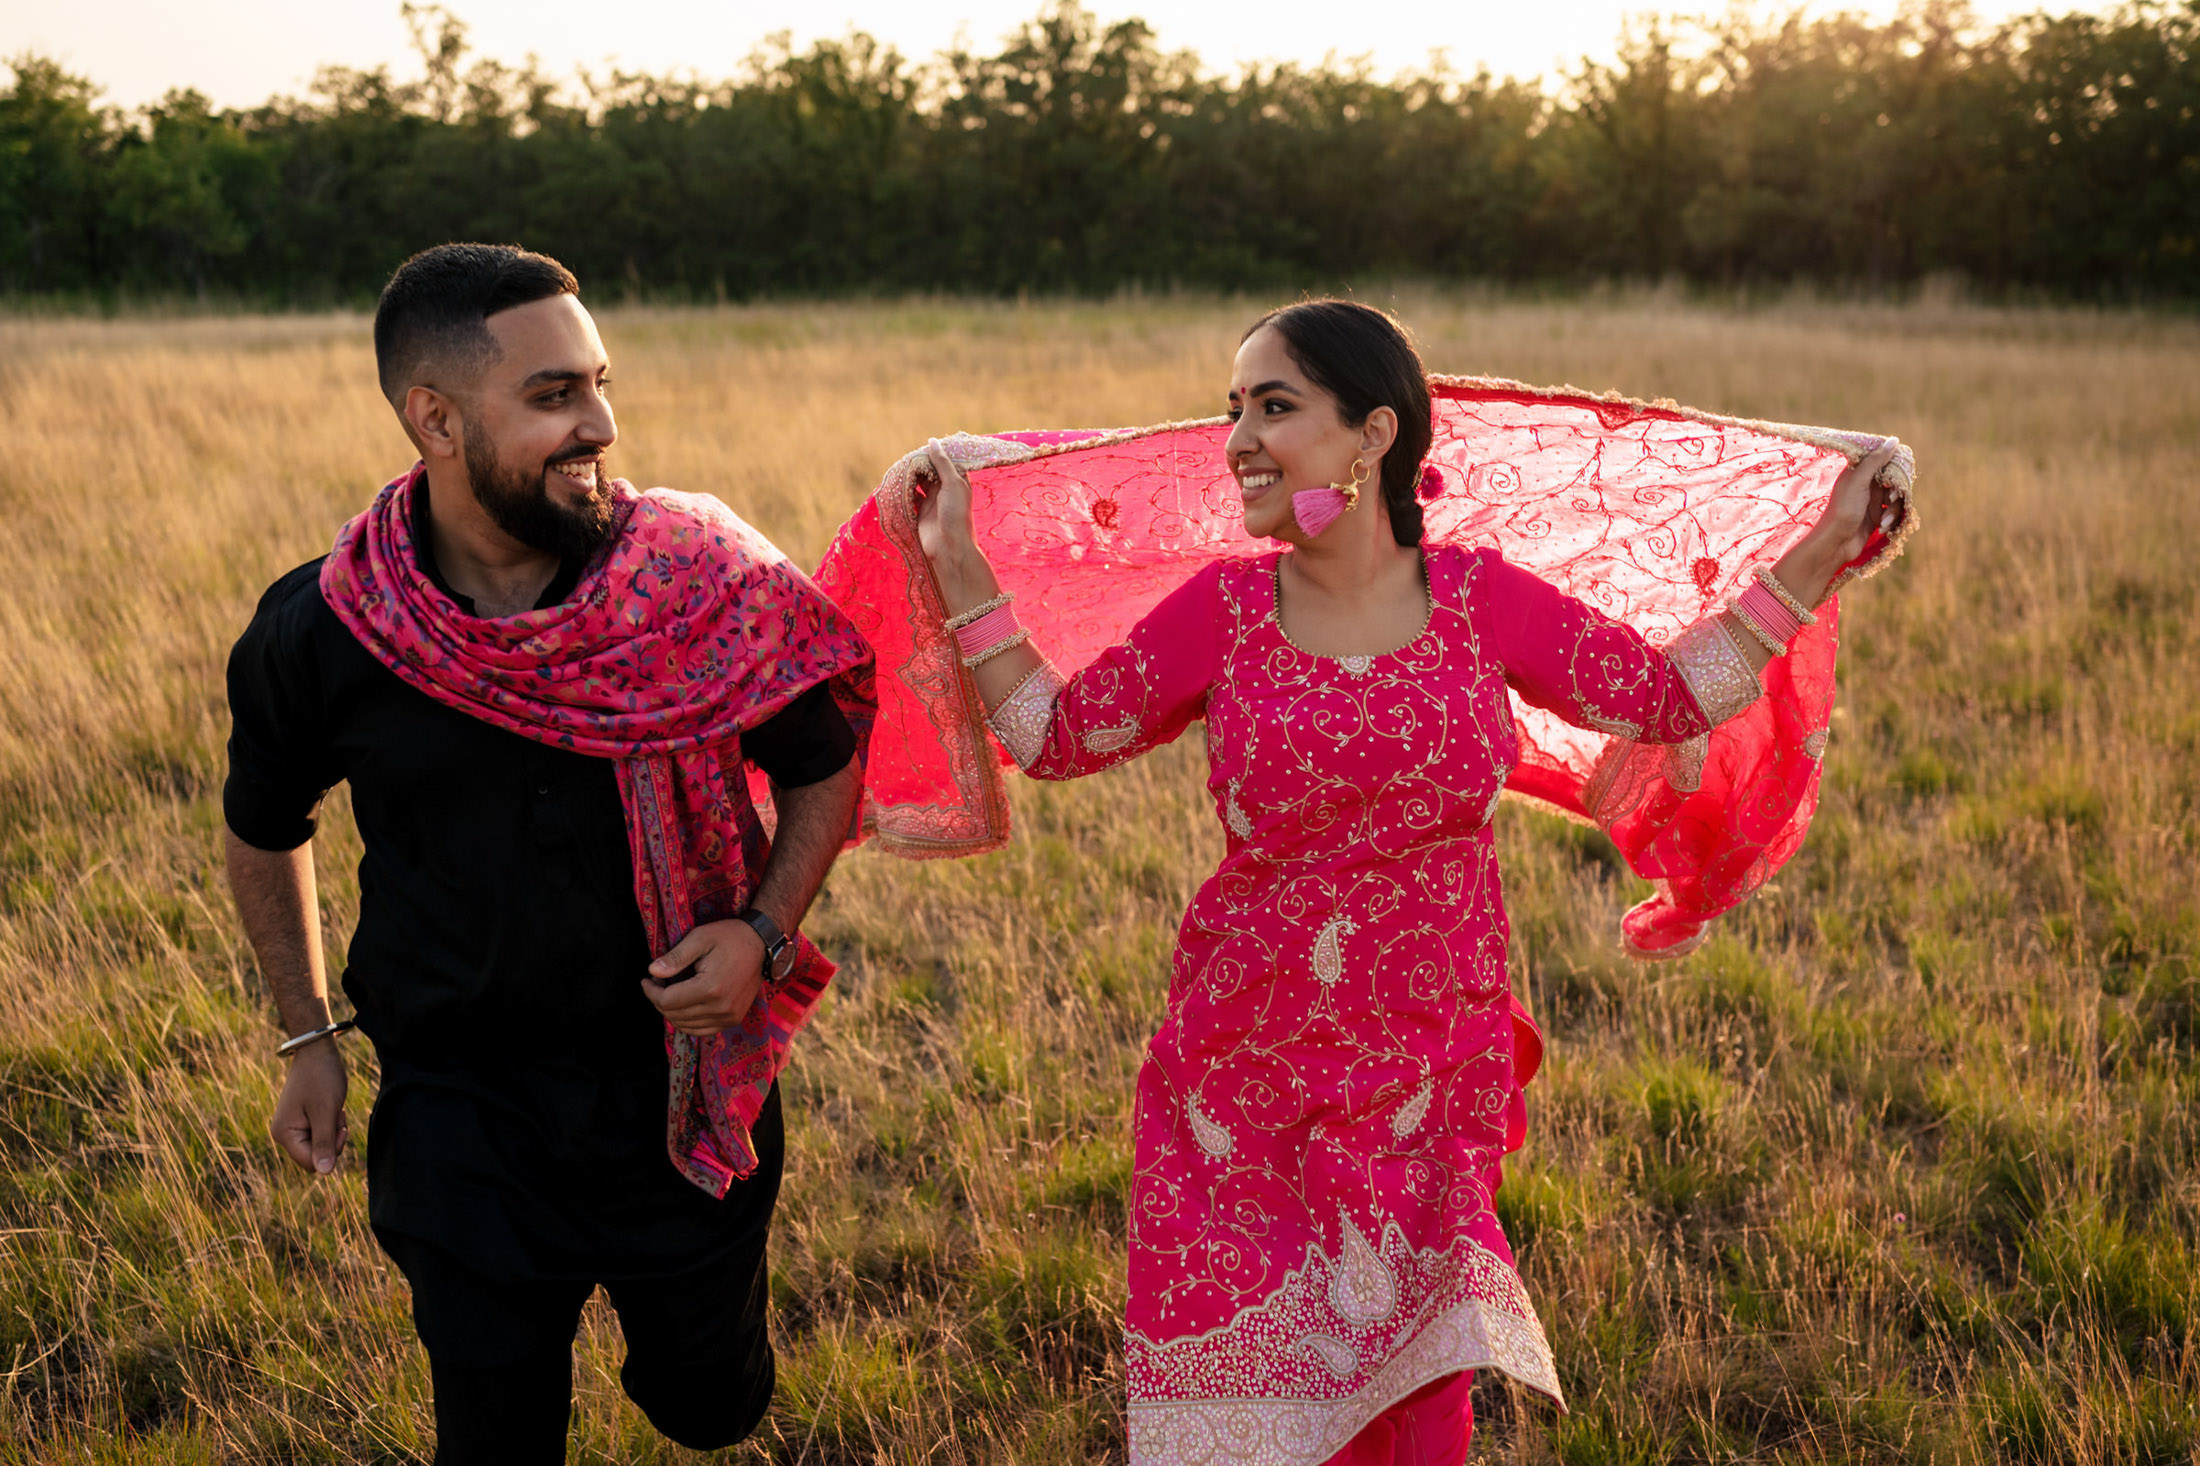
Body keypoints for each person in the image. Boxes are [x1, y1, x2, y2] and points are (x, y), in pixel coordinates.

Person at [898, 300, 1901, 1463]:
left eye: (1274, 406)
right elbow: (1056, 733)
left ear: (1372, 433)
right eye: (1233, 410)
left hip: (1427, 1068)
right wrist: (958, 566)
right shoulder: (1222, 613)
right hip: (1242, 1074)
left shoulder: (1481, 599)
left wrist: (1825, 544)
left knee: (1412, 1397)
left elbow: (1668, 699)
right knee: (1260, 1417)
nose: (1237, 440)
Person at [221, 242, 873, 1462]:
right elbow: (265, 825)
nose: (600, 424)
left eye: (599, 383)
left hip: (676, 1085)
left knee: (706, 1405)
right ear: (435, 418)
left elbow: (822, 762)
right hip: (459, 1107)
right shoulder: (326, 628)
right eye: (553, 395)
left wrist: (763, 932)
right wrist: (307, 1032)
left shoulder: (695, 581)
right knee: (494, 1432)